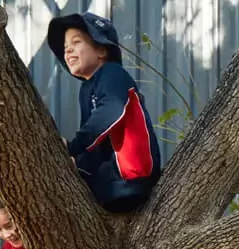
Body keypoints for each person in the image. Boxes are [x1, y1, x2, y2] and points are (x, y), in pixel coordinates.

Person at [45, 11, 161, 213]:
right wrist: (77, 161)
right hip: (109, 181)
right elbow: (95, 143)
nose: (69, 50)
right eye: (65, 48)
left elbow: (111, 111)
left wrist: (73, 147)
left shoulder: (112, 73)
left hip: (129, 178)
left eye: (77, 42)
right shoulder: (86, 89)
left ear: (101, 50)